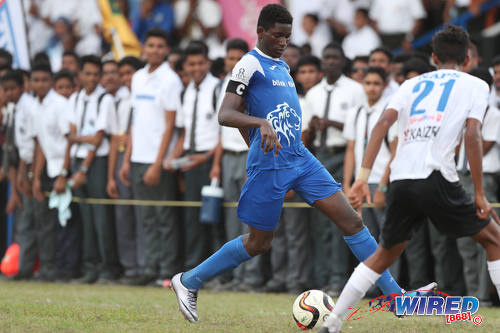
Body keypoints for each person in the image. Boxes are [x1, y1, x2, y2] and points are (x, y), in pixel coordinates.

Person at [172, 4, 421, 323]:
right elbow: (226, 114)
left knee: (352, 222)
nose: (283, 42)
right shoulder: (248, 65)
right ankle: (189, 280)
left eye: (287, 36)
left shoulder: (283, 67)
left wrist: (263, 131)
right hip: (270, 167)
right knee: (259, 242)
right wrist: (260, 126)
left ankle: (396, 298)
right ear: (260, 32)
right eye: (277, 35)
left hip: (301, 159)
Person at [320, 25, 500, 333]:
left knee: (383, 254)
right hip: (436, 176)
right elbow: (472, 133)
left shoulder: (409, 85)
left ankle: (331, 325)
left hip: (401, 180)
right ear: (468, 58)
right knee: (494, 239)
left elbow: (380, 127)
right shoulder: (475, 85)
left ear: (432, 57)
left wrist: (362, 178)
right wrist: (480, 194)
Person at [119, 28, 183, 286]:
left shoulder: (170, 80)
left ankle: (166, 270)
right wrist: (127, 159)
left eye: (160, 46)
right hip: (137, 158)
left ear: (166, 50)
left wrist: (158, 163)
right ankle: (150, 265)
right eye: (151, 45)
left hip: (159, 160)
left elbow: (171, 125)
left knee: (164, 217)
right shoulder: (137, 77)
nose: (155, 50)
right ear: (144, 48)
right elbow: (135, 121)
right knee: (145, 217)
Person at [304, 42, 365, 295]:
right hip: (318, 157)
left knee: (339, 222)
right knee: (318, 224)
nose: (330, 62)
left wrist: (333, 123)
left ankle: (338, 278)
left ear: (342, 61)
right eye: (326, 58)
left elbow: (359, 129)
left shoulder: (355, 90)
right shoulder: (313, 94)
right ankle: (321, 277)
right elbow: (305, 131)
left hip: (342, 156)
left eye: (335, 58)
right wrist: (314, 126)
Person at [166, 42, 222, 272]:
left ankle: (218, 270)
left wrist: (211, 160)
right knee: (191, 218)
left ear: (208, 63)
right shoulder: (185, 92)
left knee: (214, 218)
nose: (196, 68)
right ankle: (193, 270)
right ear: (186, 66)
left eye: (200, 63)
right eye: (191, 64)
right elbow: (183, 133)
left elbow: (223, 133)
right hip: (190, 160)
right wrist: (171, 159)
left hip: (210, 161)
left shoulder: (218, 89)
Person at [67, 55, 119, 284]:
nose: (91, 78)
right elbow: (70, 133)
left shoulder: (104, 100)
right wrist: (69, 168)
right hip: (77, 160)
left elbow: (97, 140)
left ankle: (107, 268)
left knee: (101, 219)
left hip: (95, 163)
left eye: (95, 74)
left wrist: (83, 170)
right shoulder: (76, 98)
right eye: (87, 73)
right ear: (80, 75)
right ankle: (90, 267)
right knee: (86, 219)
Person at [30, 63, 81, 282]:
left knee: (67, 222)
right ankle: (52, 267)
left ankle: (67, 269)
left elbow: (69, 139)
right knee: (51, 222)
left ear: (50, 81)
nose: (40, 84)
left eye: (44, 80)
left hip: (65, 167)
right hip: (48, 169)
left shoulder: (60, 104)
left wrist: (63, 174)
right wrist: (35, 177)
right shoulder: (35, 106)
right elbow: (41, 144)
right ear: (31, 83)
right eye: (36, 80)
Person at [456, 67, 500, 306]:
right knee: (465, 241)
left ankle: (483, 295)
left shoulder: (492, 113)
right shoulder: (461, 112)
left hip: (483, 178)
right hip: (459, 176)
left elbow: (485, 146)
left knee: (487, 238)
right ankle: (472, 293)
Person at [107, 56, 145, 284]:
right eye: (123, 74)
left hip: (141, 155)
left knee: (142, 215)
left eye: (129, 73)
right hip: (123, 157)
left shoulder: (142, 98)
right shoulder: (120, 101)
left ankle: (143, 265)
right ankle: (130, 266)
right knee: (123, 217)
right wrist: (112, 173)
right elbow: (115, 138)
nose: (126, 78)